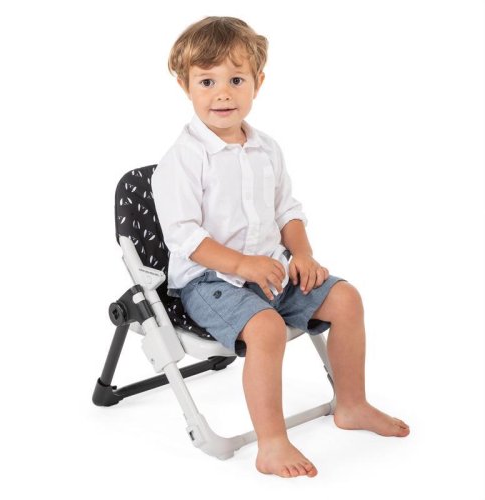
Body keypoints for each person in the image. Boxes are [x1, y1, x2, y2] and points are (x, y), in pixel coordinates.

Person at [152, 16, 410, 479]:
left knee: (346, 299)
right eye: (207, 81)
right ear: (184, 85)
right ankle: (271, 443)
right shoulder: (184, 159)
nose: (223, 93)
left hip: (271, 270)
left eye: (236, 80)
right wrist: (242, 264)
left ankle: (352, 404)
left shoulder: (266, 149)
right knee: (267, 329)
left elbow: (287, 211)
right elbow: (185, 238)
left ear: (258, 82)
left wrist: (303, 255)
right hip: (209, 281)